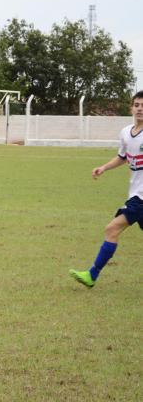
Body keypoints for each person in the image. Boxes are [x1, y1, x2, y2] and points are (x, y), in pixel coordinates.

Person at [70, 90, 143, 287]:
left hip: (140, 199)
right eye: (137, 105)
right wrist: (104, 167)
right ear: (131, 108)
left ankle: (92, 275)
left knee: (112, 229)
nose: (140, 109)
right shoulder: (126, 133)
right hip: (135, 193)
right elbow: (122, 156)